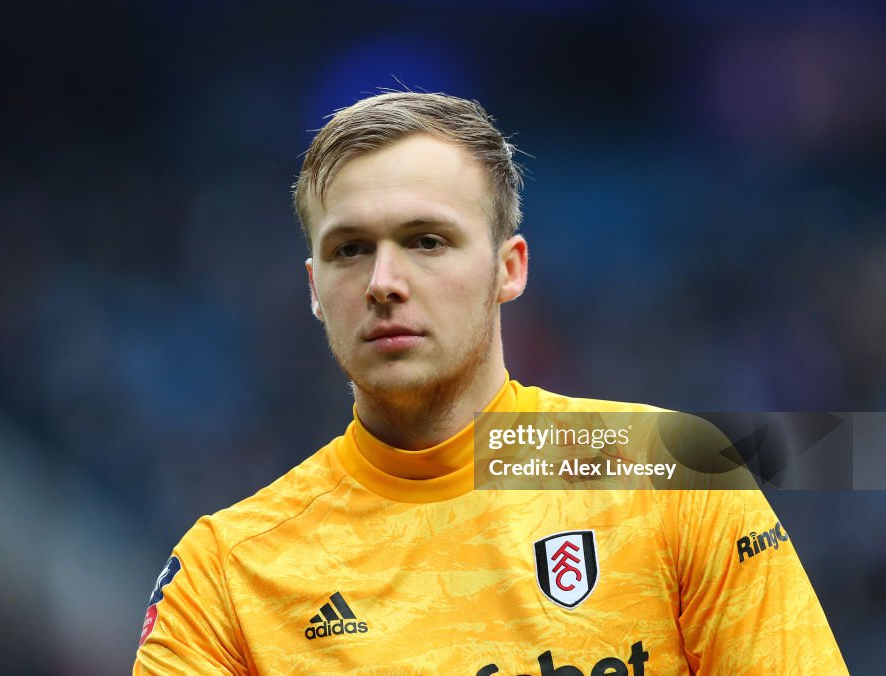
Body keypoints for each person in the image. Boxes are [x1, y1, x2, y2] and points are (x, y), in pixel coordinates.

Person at [133, 92, 847, 674]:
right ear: (316, 289)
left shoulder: (676, 477)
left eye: (426, 241)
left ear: (509, 268)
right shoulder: (225, 575)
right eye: (351, 250)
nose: (384, 283)